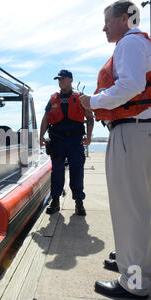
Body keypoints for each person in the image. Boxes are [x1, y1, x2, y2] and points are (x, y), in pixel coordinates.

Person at [80, 1, 151, 299]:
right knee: (134, 206)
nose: (104, 27)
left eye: (107, 21)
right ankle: (129, 263)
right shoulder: (138, 44)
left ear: (122, 19)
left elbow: (131, 85)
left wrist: (92, 102)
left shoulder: (130, 43)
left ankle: (134, 284)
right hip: (136, 130)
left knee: (130, 208)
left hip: (130, 130)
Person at [40, 70, 94, 216]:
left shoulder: (80, 98)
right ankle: (55, 201)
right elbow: (45, 118)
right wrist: (41, 136)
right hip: (57, 140)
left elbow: (90, 118)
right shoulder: (53, 99)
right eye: (58, 79)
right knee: (56, 172)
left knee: (77, 171)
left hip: (75, 141)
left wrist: (88, 138)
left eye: (62, 79)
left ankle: (79, 203)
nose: (60, 81)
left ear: (70, 80)